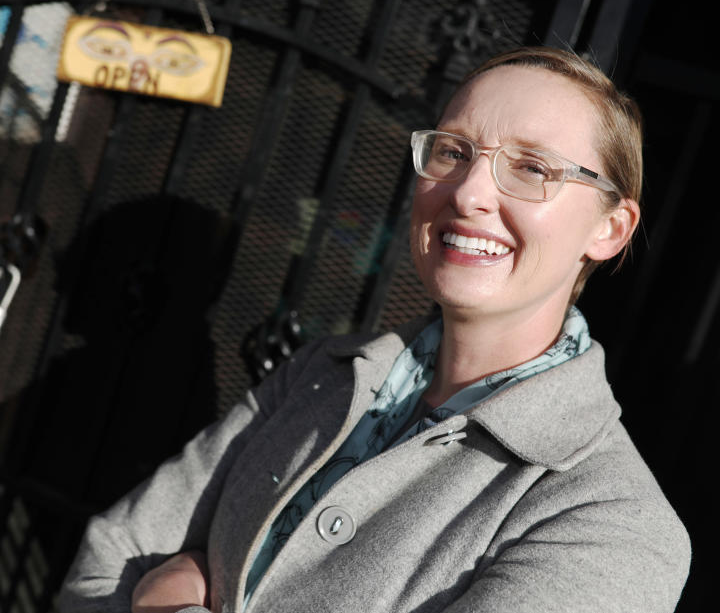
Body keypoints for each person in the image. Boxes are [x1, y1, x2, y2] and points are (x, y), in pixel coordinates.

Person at [58, 47, 690, 613]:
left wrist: (167, 595)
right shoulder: (322, 375)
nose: (469, 192)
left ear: (610, 228)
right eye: (453, 151)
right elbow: (108, 555)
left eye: (532, 168)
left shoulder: (610, 522)